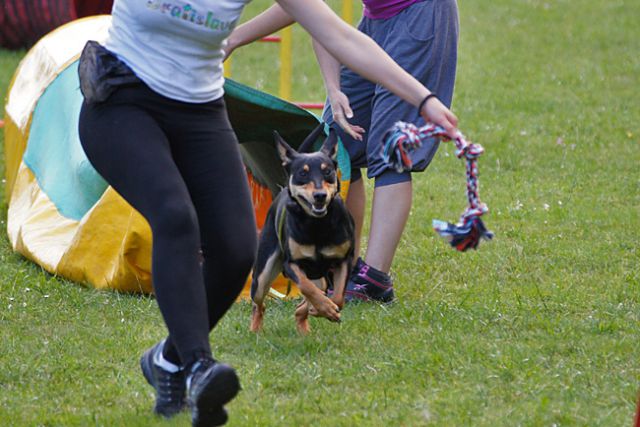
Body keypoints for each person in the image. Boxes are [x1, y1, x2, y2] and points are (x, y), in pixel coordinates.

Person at [78, 0, 458, 425]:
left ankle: (167, 360)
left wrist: (422, 99)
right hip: (122, 101)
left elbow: (339, 34)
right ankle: (198, 367)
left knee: (238, 249)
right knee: (175, 215)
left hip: (200, 112)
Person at [226, 0, 459, 303]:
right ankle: (344, 266)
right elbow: (311, 14)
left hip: (419, 15)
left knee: (391, 148)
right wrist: (334, 89)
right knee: (336, 144)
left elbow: (300, 9)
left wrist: (232, 39)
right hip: (375, 19)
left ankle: (374, 280)